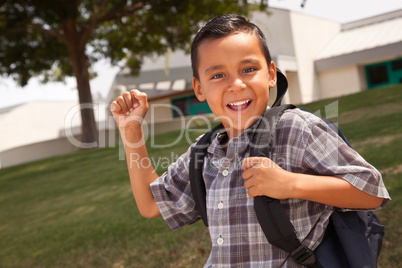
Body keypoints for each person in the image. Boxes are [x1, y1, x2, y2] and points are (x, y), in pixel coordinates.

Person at [110, 14, 390, 267]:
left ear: (270, 74)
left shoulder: (295, 129)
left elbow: (372, 191)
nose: (236, 85)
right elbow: (150, 205)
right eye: (218, 75)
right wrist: (131, 132)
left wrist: (290, 183)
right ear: (199, 88)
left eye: (248, 69)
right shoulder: (203, 151)